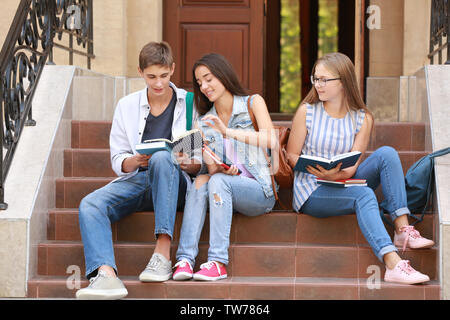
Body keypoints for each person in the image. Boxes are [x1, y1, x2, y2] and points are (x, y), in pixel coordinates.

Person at [286, 52, 434, 285]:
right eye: (316, 79)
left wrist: (338, 174)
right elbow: (291, 154)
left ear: (343, 81)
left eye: (325, 79)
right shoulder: (308, 111)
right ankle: (392, 263)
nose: (318, 84)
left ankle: (402, 228)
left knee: (387, 153)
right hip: (312, 190)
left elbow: (353, 164)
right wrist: (317, 170)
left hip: (342, 181)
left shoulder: (362, 118)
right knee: (364, 195)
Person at [75, 41, 200, 299]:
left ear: (173, 70)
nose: (158, 83)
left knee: (163, 160)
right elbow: (118, 158)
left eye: (164, 76)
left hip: (175, 182)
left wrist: (188, 162)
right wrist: (135, 160)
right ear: (140, 72)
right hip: (139, 179)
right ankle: (105, 275)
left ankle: (163, 252)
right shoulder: (127, 105)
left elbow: (198, 159)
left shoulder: (189, 103)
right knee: (90, 204)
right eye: (152, 76)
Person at [172, 53, 277, 281]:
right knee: (201, 181)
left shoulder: (252, 102)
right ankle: (185, 260)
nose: (205, 86)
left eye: (208, 79)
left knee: (218, 182)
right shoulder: (204, 121)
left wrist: (226, 131)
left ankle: (218, 262)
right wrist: (195, 162)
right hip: (227, 189)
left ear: (223, 74)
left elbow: (271, 140)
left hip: (260, 191)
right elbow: (212, 171)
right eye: (200, 83)